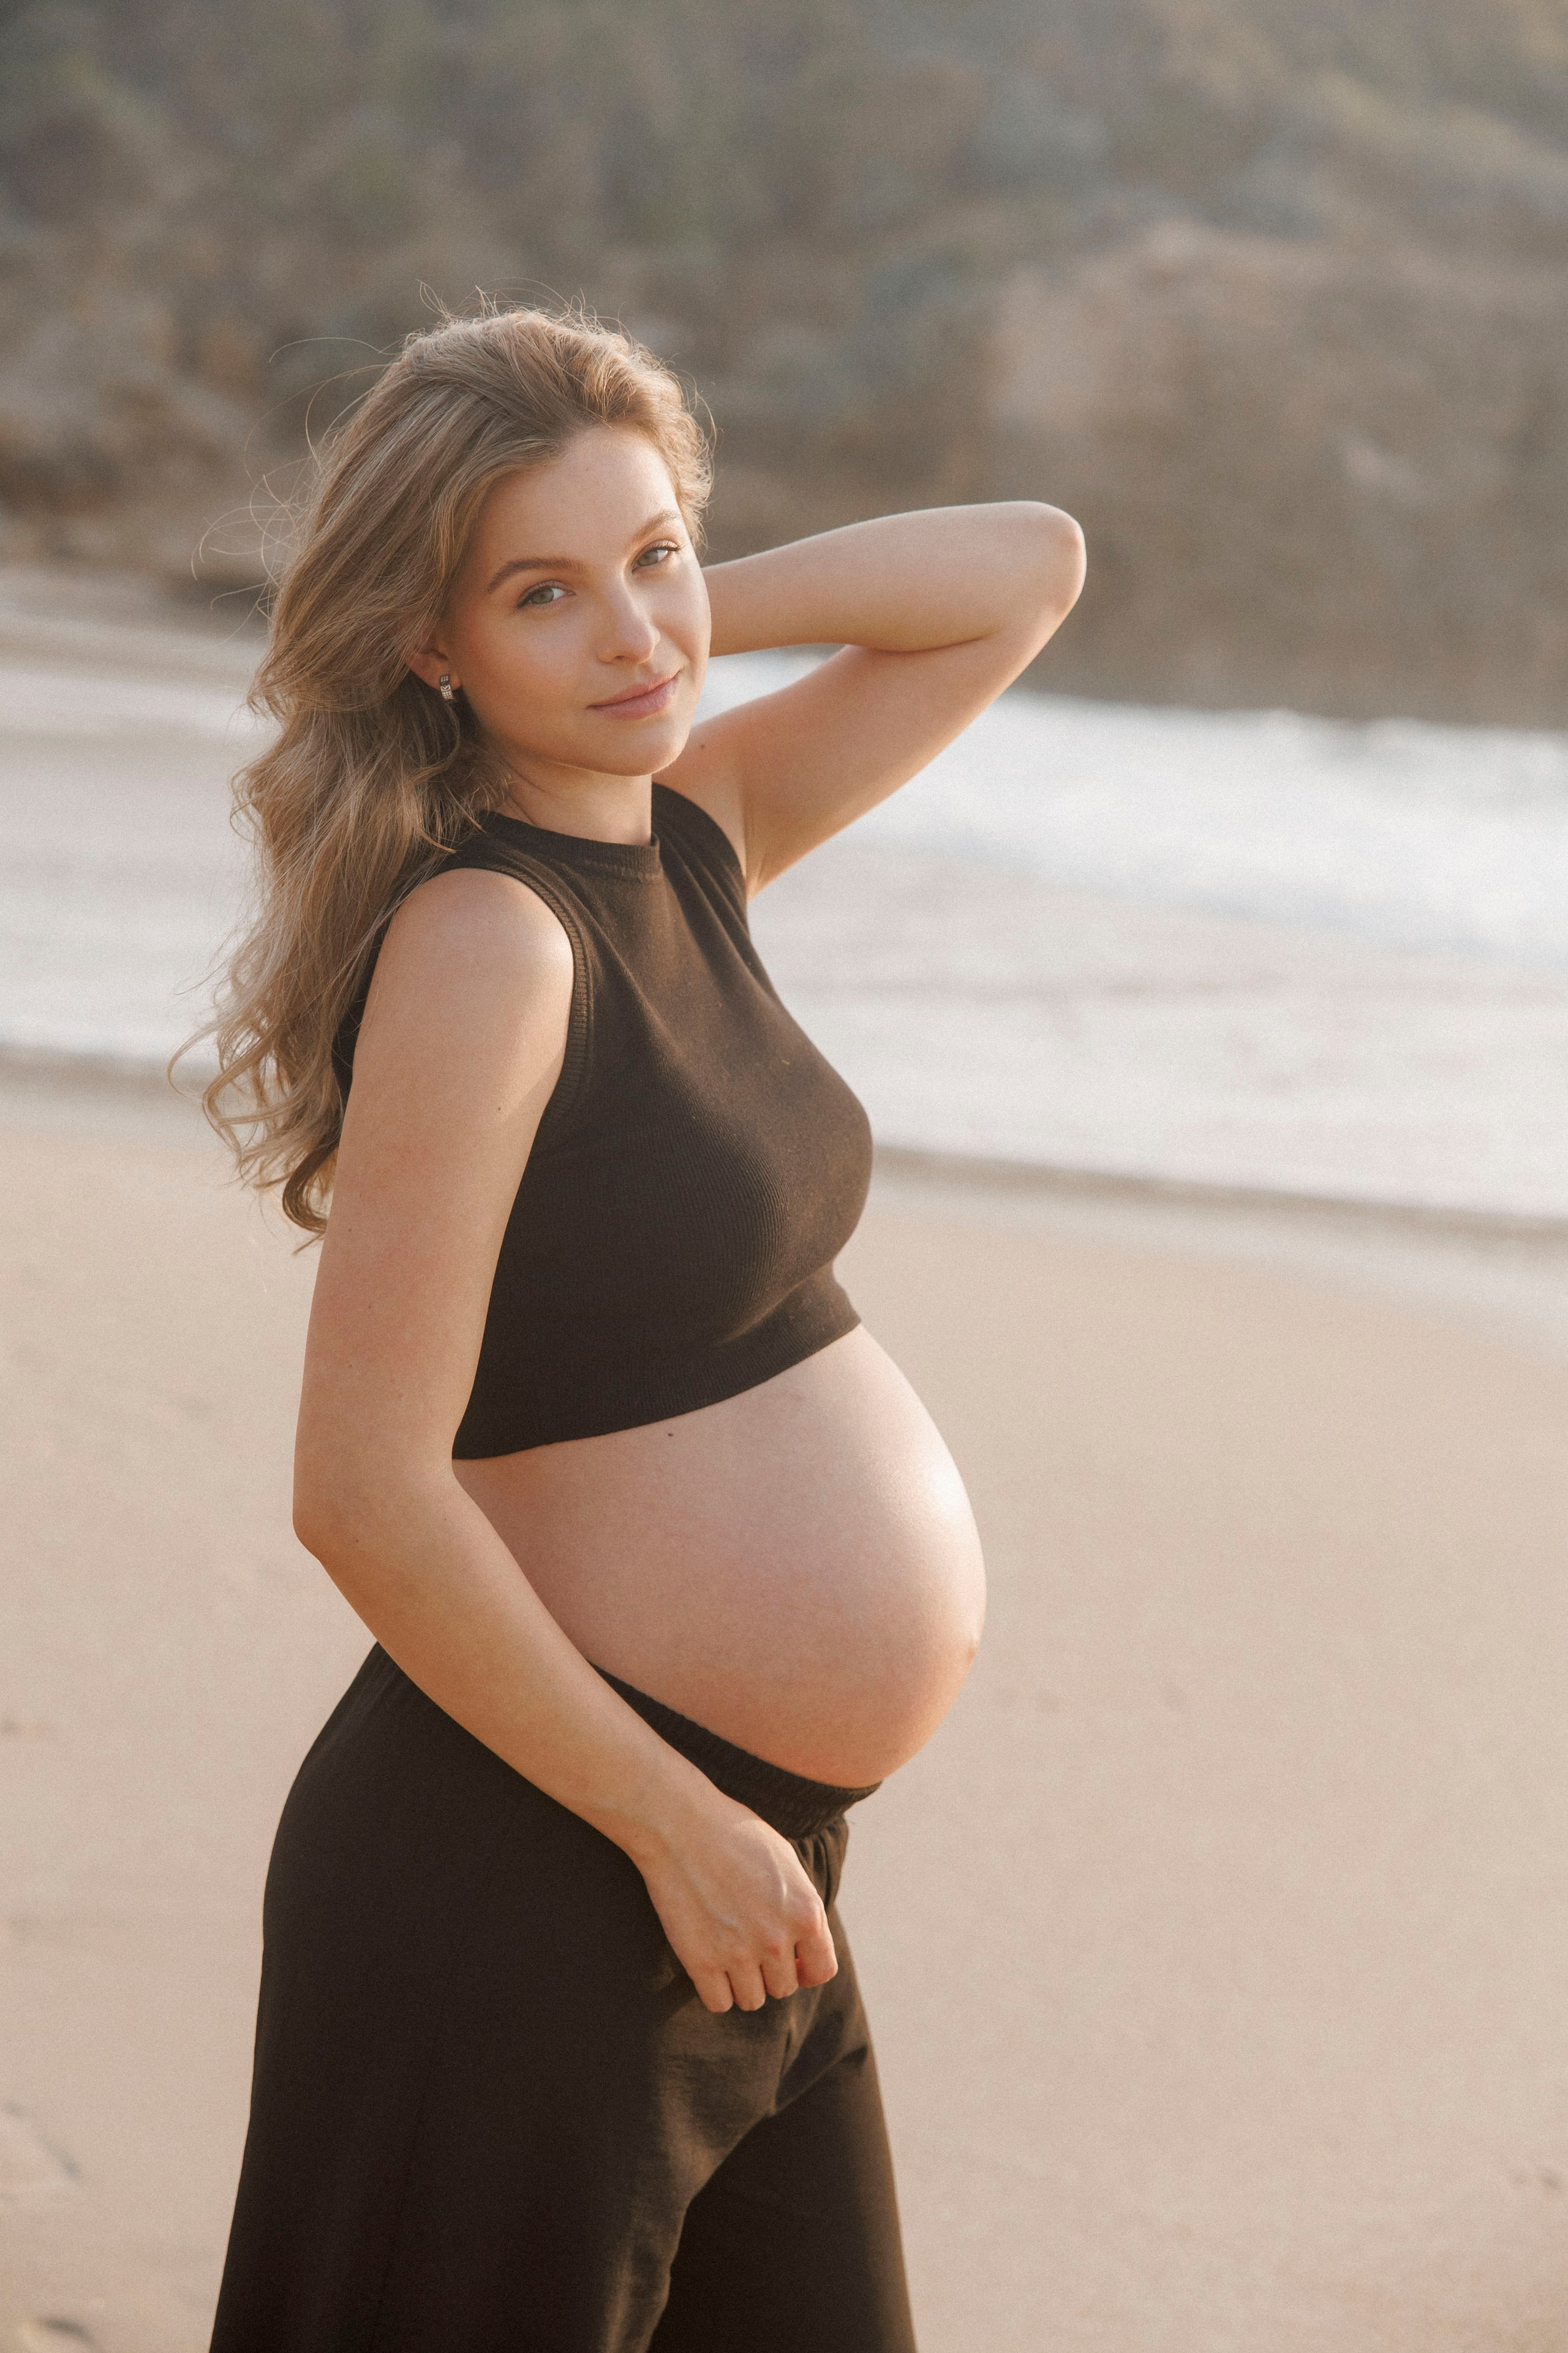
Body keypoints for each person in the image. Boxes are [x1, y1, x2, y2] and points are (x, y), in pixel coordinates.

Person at [200, 302, 1084, 2351]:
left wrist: (666, 612)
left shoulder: (693, 829)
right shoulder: (485, 940)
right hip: (556, 1855)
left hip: (731, 1869)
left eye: (655, 554)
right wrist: (673, 1822)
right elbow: (359, 1489)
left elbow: (1023, 567)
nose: (633, 635)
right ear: (432, 642)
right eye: (539, 595)